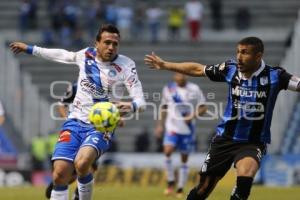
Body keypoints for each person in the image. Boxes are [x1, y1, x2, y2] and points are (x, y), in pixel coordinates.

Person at [145, 36, 300, 200]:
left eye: (245, 53)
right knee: (203, 189)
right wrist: (165, 65)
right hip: (224, 139)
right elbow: (199, 69)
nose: (239, 57)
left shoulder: (275, 76)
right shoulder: (229, 69)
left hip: (252, 142)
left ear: (258, 56)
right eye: (238, 52)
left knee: (245, 178)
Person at [10, 24, 146, 200]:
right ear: (96, 43)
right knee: (59, 174)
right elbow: (62, 55)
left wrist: (132, 106)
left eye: (115, 44)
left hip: (100, 126)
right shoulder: (85, 55)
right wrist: (30, 49)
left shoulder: (126, 65)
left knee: (82, 164)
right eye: (107, 42)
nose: (111, 47)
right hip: (74, 122)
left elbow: (141, 102)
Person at [155, 72, 207, 198]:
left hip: (187, 129)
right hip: (172, 127)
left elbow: (203, 108)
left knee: (184, 159)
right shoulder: (168, 88)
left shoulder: (194, 89)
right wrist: (160, 125)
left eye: (182, 75)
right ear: (174, 77)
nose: (180, 77)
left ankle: (180, 187)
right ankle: (171, 181)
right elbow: (164, 107)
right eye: (178, 75)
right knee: (167, 151)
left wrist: (192, 116)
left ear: (186, 76)